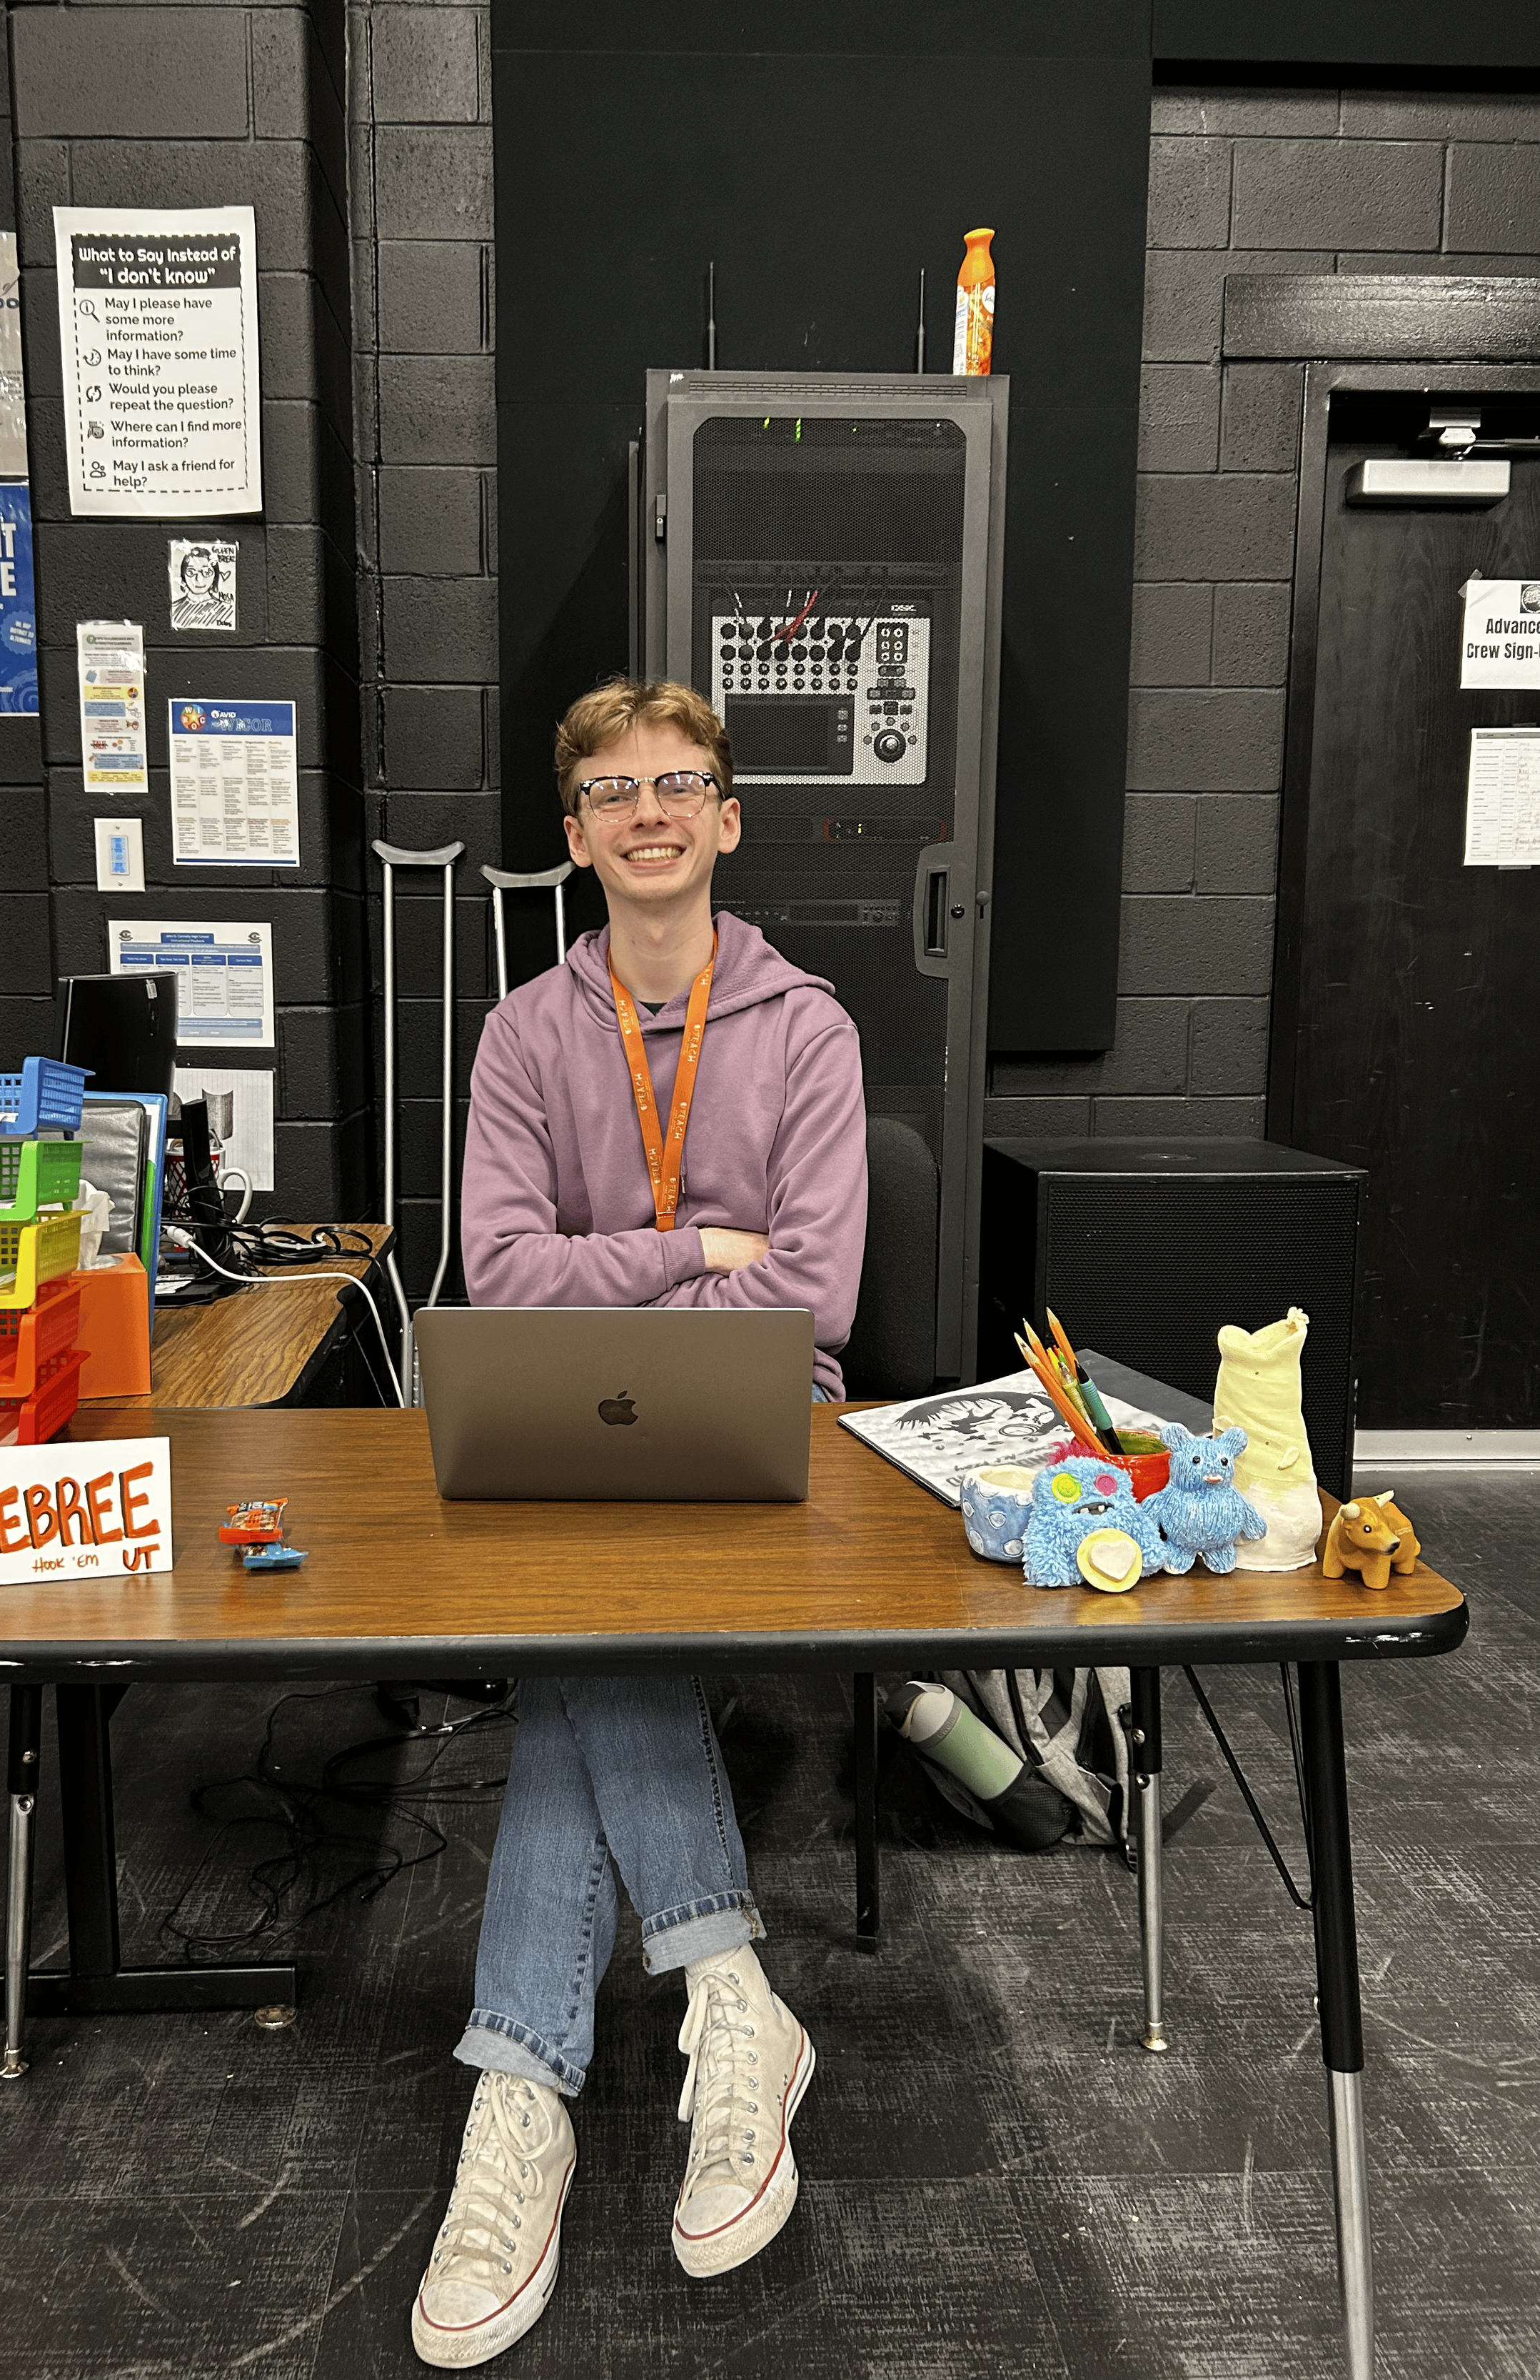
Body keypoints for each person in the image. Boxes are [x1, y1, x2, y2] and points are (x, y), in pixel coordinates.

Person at [411, 678, 868, 2367]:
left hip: (767, 1415)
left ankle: (516, 2090)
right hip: (575, 1413)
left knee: (570, 1648)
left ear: (725, 818)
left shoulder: (805, 1029)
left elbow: (809, 1298)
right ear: (579, 833)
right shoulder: (527, 1032)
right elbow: (500, 1278)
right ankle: (731, 1996)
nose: (648, 810)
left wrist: (677, 1294)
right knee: (589, 1618)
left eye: (678, 782)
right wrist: (692, 1251)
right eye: (613, 790)